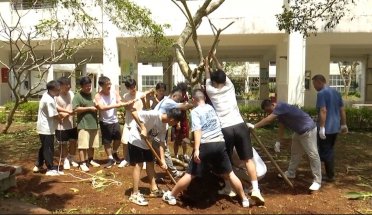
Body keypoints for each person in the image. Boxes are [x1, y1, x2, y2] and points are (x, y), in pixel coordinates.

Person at [162, 89, 249, 208]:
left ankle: (171, 195)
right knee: (230, 174)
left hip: (206, 144)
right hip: (220, 143)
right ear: (204, 98)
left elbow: (197, 130)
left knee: (190, 174)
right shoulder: (211, 108)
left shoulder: (195, 112)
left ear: (193, 100)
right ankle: (244, 199)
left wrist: (197, 149)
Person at [204, 53, 264, 205]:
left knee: (227, 162)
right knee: (248, 159)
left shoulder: (211, 91)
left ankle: (230, 187)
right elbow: (221, 69)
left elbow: (208, 76)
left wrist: (206, 65)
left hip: (225, 129)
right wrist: (216, 59)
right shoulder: (230, 86)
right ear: (224, 79)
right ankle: (255, 188)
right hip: (240, 126)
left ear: (213, 81)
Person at [248, 99, 322, 191]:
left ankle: (317, 181)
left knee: (313, 155)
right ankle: (291, 173)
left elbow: (268, 120)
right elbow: (281, 126)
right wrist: (278, 141)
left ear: (273, 104)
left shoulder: (280, 106)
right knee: (295, 153)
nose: (269, 113)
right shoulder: (279, 112)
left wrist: (254, 126)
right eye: (267, 112)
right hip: (298, 132)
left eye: (269, 110)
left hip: (308, 130)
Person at [127, 108, 184, 206]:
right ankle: (135, 194)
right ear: (172, 120)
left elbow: (161, 143)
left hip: (147, 143)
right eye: (176, 122)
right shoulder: (154, 114)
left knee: (150, 163)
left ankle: (154, 189)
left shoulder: (165, 126)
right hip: (135, 139)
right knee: (139, 164)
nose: (175, 125)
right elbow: (134, 112)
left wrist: (162, 160)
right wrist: (143, 127)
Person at [312, 74, 348, 182]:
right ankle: (329, 173)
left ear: (319, 82)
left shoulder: (322, 93)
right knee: (329, 149)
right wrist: (343, 124)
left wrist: (322, 127)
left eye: (314, 84)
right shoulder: (336, 93)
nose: (314, 87)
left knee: (325, 151)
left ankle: (330, 175)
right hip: (335, 127)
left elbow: (323, 110)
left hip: (326, 128)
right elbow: (342, 110)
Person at [153, 86, 194, 179]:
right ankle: (173, 172)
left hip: (158, 127)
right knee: (164, 149)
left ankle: (160, 171)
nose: (178, 101)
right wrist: (197, 102)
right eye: (178, 98)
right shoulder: (169, 102)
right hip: (156, 128)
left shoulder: (166, 99)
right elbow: (185, 106)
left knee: (161, 149)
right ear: (174, 95)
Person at [94, 76, 133, 168]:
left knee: (118, 139)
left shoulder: (114, 93)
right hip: (105, 121)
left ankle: (114, 152)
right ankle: (110, 158)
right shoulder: (98, 96)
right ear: (101, 85)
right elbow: (102, 107)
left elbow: (119, 102)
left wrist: (124, 103)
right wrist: (116, 105)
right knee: (106, 141)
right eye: (107, 84)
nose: (109, 86)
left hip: (114, 120)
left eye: (110, 83)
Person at [33, 80, 68, 176]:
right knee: (48, 148)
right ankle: (50, 168)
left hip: (45, 127)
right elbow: (54, 115)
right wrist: (62, 117)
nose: (59, 91)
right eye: (58, 90)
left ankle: (38, 164)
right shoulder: (49, 101)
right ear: (52, 89)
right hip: (46, 128)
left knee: (44, 146)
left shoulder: (47, 95)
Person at [72, 76, 100, 172]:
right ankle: (82, 163)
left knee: (92, 145)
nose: (88, 88)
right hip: (83, 124)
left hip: (93, 124)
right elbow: (75, 109)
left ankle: (90, 160)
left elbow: (98, 104)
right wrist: (89, 108)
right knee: (83, 145)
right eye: (86, 86)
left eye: (90, 85)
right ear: (82, 86)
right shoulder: (78, 96)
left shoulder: (93, 94)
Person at [119, 78, 146, 168]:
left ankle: (144, 160)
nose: (133, 89)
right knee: (125, 141)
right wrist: (130, 103)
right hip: (129, 121)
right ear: (127, 88)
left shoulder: (141, 94)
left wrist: (143, 100)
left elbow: (146, 107)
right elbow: (127, 108)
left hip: (139, 121)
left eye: (134, 86)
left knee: (141, 141)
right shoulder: (126, 96)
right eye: (130, 87)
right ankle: (126, 159)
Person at [55, 77, 79, 170]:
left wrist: (71, 112)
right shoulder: (56, 96)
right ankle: (65, 160)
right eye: (66, 85)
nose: (68, 87)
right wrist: (67, 112)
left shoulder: (71, 94)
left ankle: (71, 158)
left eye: (69, 85)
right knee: (63, 143)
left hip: (72, 123)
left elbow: (74, 105)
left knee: (73, 141)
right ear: (60, 86)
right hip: (61, 125)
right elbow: (56, 108)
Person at [173, 82, 191, 163]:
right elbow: (175, 110)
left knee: (185, 139)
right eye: (182, 91)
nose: (183, 93)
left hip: (184, 120)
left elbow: (187, 106)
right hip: (177, 119)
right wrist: (177, 123)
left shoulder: (185, 96)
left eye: (184, 91)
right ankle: (176, 155)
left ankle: (184, 155)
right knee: (176, 139)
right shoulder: (176, 97)